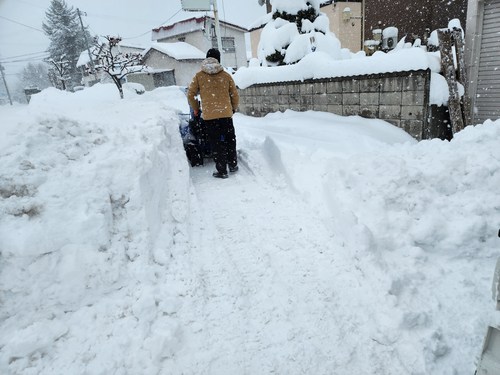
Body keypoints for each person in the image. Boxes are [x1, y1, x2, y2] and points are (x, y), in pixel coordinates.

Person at [187, 48, 239, 179]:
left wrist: (196, 108)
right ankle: (232, 165)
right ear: (218, 59)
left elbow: (191, 94)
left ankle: (222, 171)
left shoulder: (199, 76)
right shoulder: (226, 76)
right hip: (226, 115)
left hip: (210, 116)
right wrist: (233, 108)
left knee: (216, 143)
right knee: (229, 139)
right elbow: (235, 95)